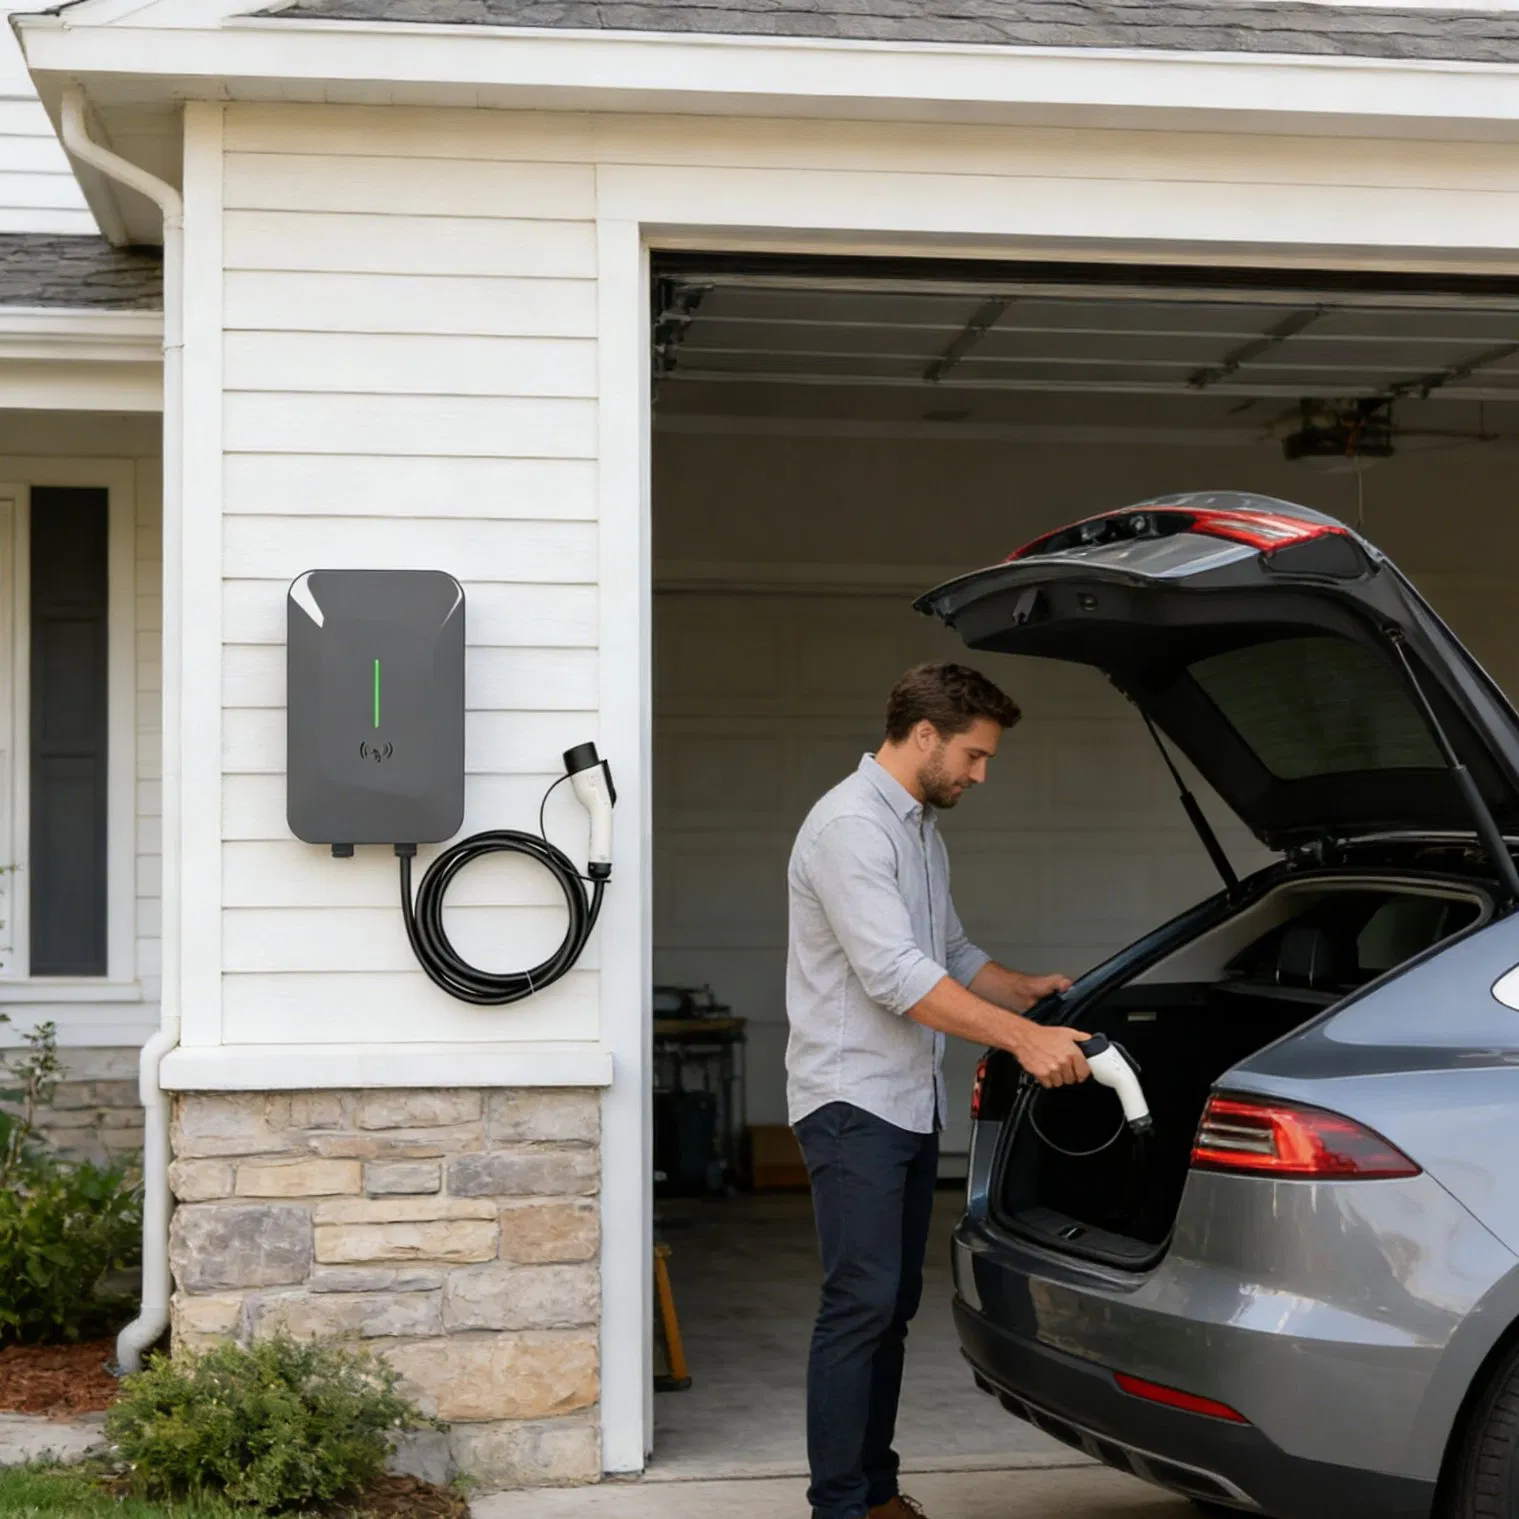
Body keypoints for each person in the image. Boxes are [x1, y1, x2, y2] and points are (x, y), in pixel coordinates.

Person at [786, 661, 1092, 1519]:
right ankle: (842, 1506)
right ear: (924, 735)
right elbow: (892, 975)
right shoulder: (850, 828)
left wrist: (1024, 989)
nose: (979, 773)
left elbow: (947, 953)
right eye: (973, 754)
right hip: (851, 1102)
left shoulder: (918, 827)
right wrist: (1024, 1040)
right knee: (859, 1304)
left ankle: (874, 1493)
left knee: (889, 1304)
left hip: (904, 1097)